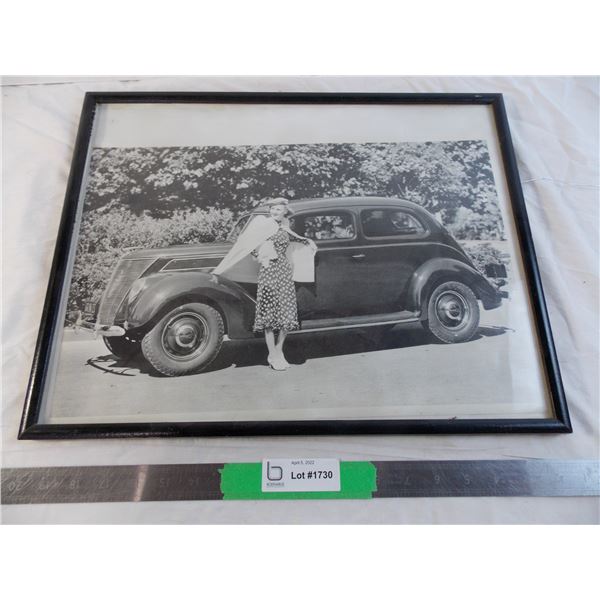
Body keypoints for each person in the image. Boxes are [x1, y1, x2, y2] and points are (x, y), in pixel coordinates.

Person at [213, 198, 317, 371]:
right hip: (269, 272)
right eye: (273, 209)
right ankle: (273, 354)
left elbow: (294, 240)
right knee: (269, 313)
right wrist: (262, 256)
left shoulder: (285, 225)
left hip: (284, 271)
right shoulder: (263, 225)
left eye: (278, 209)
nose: (275, 212)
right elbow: (249, 246)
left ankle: (278, 350)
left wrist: (308, 242)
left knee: (286, 312)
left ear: (285, 211)